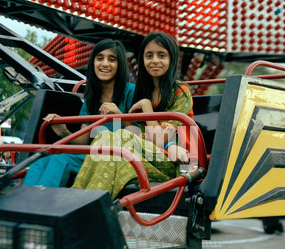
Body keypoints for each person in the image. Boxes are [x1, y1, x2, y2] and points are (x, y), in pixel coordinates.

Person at [71, 32, 194, 199]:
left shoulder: (181, 92)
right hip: (145, 156)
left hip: (175, 163)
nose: (155, 60)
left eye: (162, 55)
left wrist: (146, 106)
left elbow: (160, 139)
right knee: (107, 138)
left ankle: (87, 204)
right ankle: (78, 199)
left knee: (119, 137)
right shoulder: (143, 91)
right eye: (149, 55)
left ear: (172, 59)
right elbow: (137, 134)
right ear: (142, 60)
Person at [22, 39, 135, 187]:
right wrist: (64, 132)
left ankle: (41, 203)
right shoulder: (91, 99)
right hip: (93, 156)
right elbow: (82, 142)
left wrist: (119, 115)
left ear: (119, 65)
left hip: (118, 158)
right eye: (99, 58)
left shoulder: (130, 92)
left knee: (59, 161)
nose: (105, 64)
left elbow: (140, 135)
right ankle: (24, 204)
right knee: (40, 162)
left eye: (111, 59)